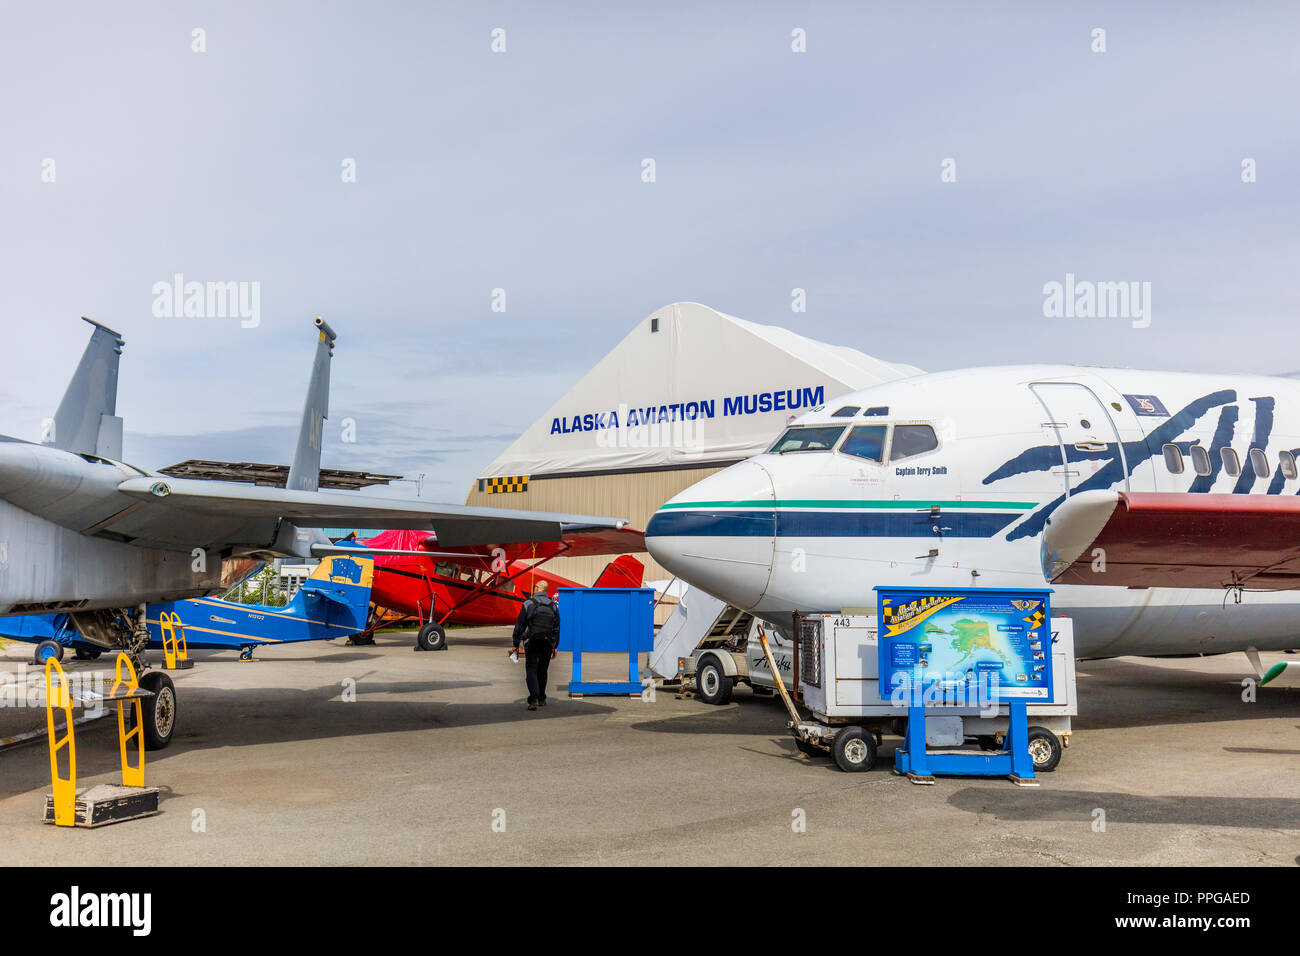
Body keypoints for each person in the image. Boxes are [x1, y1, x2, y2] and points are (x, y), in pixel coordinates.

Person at [511, 580, 560, 711]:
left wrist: (516, 643)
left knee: (531, 669)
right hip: (547, 642)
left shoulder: (528, 603)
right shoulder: (553, 606)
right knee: (543, 669)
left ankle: (533, 699)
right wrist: (555, 646)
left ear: (537, 589)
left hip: (532, 642)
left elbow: (520, 625)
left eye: (535, 587)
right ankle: (542, 698)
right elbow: (556, 627)